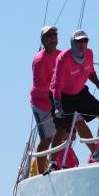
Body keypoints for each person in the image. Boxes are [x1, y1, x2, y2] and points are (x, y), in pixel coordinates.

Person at [48, 29, 99, 170]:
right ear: (73, 43)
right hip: (62, 96)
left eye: (85, 41)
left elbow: (90, 71)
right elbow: (57, 85)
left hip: (79, 92)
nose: (82, 44)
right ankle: (53, 163)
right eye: (78, 41)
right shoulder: (64, 58)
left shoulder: (89, 54)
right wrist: (58, 105)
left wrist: (98, 84)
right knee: (61, 128)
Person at [30, 25, 60, 174]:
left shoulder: (61, 56)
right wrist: (57, 87)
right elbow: (39, 85)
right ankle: (40, 171)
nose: (52, 37)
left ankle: (54, 164)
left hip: (57, 102)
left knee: (68, 129)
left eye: (54, 34)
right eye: (48, 35)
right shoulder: (39, 60)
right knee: (47, 138)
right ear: (43, 40)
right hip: (41, 104)